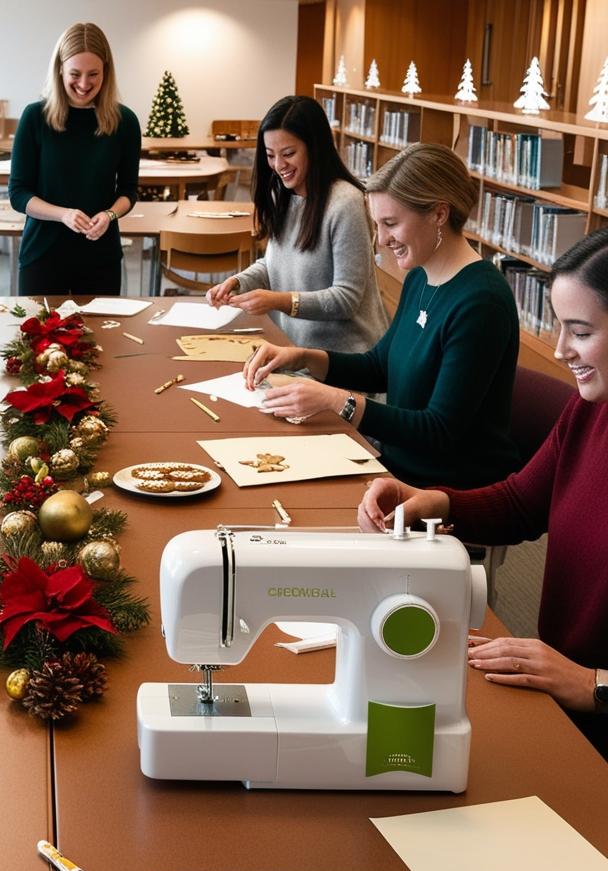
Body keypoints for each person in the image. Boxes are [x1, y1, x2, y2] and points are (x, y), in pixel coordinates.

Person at [358, 227, 608, 758]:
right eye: (560, 328)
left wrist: (594, 685)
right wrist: (434, 500)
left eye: (581, 333)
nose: (560, 351)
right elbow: (522, 502)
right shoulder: (591, 411)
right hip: (552, 691)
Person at [244, 142, 522, 490]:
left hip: (443, 486)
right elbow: (380, 367)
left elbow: (439, 430)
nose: (381, 241)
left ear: (439, 214)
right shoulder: (421, 276)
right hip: (397, 465)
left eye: (391, 223)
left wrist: (336, 401)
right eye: (378, 224)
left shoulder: (482, 302)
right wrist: (300, 357)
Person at [206, 95, 387, 353]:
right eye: (270, 155)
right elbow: (275, 265)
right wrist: (237, 282)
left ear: (314, 147)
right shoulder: (282, 195)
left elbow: (346, 299)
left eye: (289, 153)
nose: (279, 166)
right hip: (297, 353)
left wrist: (278, 301)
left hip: (345, 360)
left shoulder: (345, 203)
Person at [8, 21, 141, 296]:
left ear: (107, 71)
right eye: (75, 74)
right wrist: (63, 215)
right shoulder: (35, 117)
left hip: (100, 255)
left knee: (103, 337)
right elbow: (19, 194)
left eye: (93, 74)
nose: (83, 84)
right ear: (59, 69)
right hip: (43, 253)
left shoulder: (125, 121)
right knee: (37, 336)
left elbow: (128, 190)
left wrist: (109, 214)